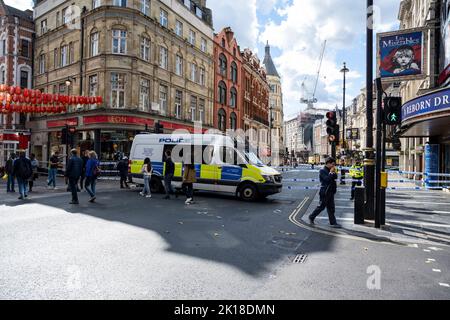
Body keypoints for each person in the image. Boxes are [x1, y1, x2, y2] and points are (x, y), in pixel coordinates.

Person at [308, 157, 341, 228]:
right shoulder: (322, 171)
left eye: (334, 164)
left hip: (331, 191)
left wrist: (333, 172)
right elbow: (326, 180)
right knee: (321, 207)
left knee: (331, 208)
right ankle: (311, 216)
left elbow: (335, 177)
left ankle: (333, 223)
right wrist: (331, 173)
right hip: (325, 192)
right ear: (328, 163)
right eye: (332, 164)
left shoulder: (331, 170)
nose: (333, 166)